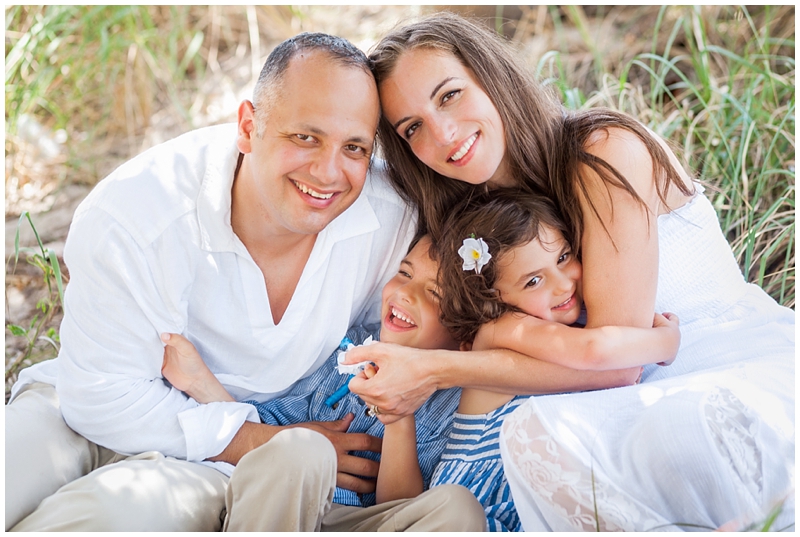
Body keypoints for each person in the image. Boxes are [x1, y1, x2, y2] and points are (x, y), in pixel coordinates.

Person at [340, 12, 795, 531]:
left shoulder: (602, 151)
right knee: (540, 442)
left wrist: (438, 368)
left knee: (571, 439)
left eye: (449, 95)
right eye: (412, 127)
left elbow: (617, 367)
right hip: (594, 386)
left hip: (712, 356)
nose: (442, 134)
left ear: (491, 76)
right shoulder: (482, 219)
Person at [6, 32, 443, 532]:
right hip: (89, 413)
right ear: (248, 126)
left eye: (354, 148)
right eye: (305, 137)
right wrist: (262, 438)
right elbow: (99, 398)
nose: (328, 172)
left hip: (214, 466)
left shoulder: (390, 220)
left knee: (103, 517)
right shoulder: (138, 214)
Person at [158, 234, 486, 531]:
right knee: (303, 448)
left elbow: (400, 513)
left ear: (464, 341)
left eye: (435, 293)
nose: (405, 293)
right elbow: (269, 433)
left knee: (457, 506)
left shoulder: (454, 407)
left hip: (361, 522)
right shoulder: (352, 349)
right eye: (405, 273)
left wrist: (398, 417)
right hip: (291, 509)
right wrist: (201, 381)